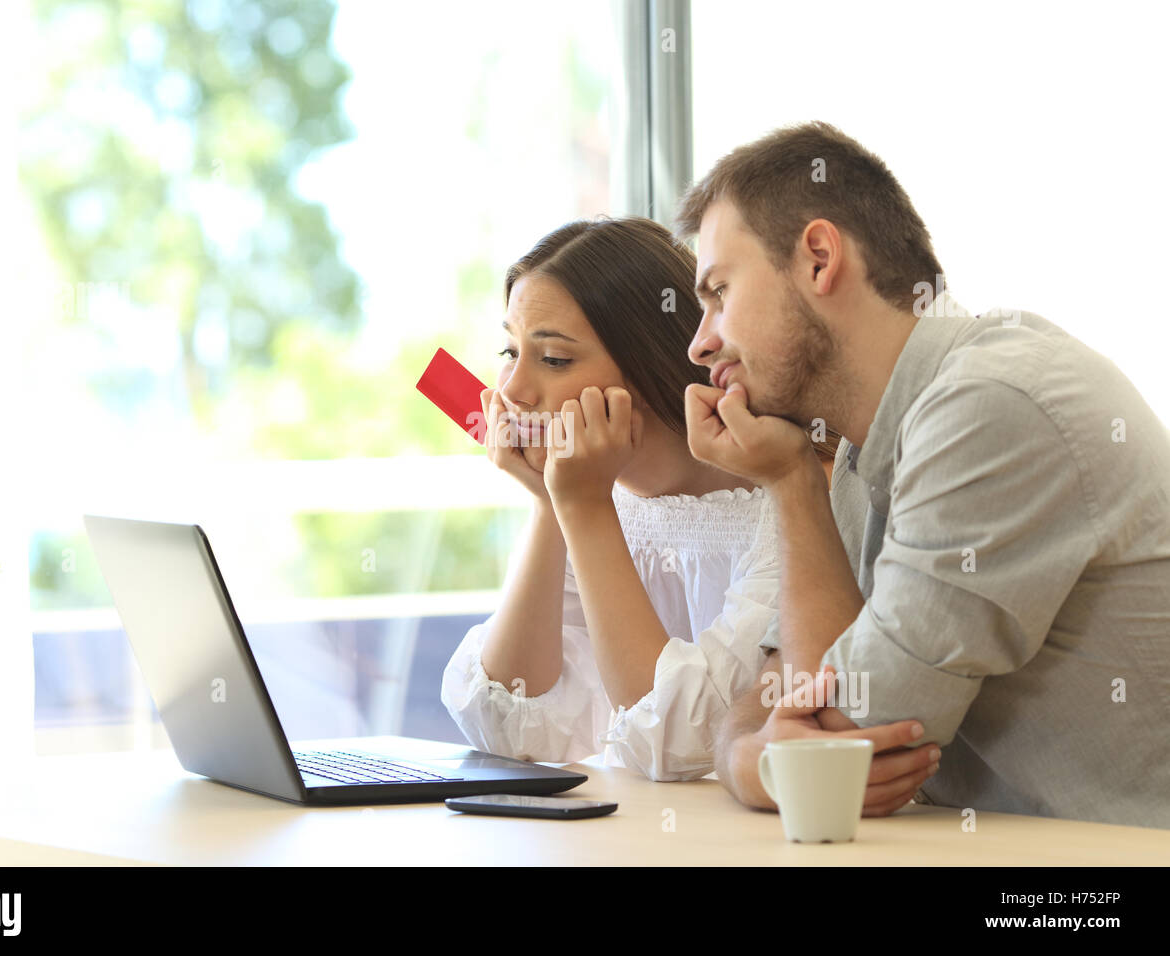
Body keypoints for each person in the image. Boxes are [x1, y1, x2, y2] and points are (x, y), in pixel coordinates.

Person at [677, 120, 1170, 826]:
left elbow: (842, 755)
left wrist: (765, 756)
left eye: (719, 293)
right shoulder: (855, 447)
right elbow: (777, 700)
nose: (701, 344)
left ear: (818, 257)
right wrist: (746, 756)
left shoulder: (990, 405)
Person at [439, 216, 838, 781]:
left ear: (649, 367)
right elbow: (511, 728)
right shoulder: (593, 498)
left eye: (553, 359)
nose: (511, 392)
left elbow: (682, 746)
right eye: (510, 353)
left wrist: (583, 508)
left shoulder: (790, 501)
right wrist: (551, 507)